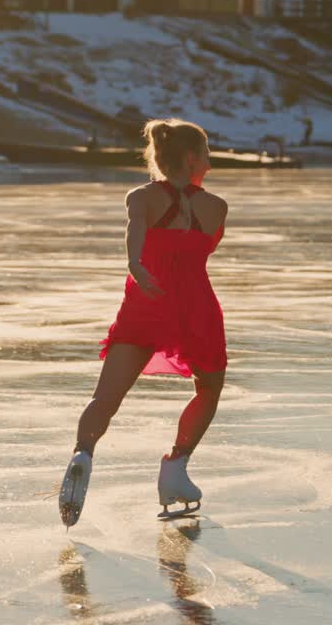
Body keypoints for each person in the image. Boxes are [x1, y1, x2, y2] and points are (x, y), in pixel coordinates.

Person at [59, 118, 229, 526]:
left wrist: (137, 264)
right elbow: (203, 249)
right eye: (206, 153)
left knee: (106, 398)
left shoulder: (140, 197)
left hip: (144, 304)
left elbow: (137, 231)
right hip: (195, 309)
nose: (211, 161)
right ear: (191, 159)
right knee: (208, 388)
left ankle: (83, 452)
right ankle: (175, 468)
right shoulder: (216, 207)